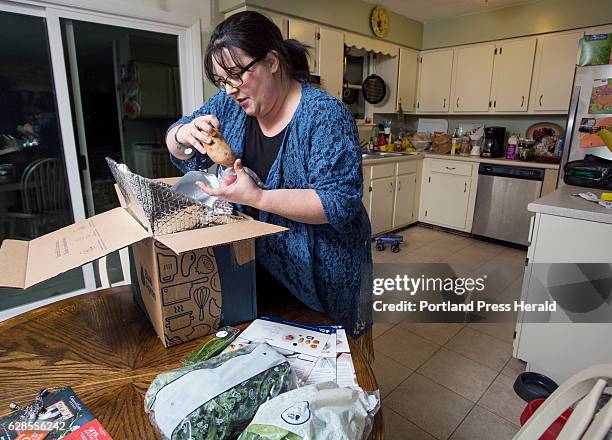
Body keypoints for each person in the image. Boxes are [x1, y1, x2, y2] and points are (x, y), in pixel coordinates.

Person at [165, 11, 372, 343]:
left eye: (236, 75)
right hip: (260, 265)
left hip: (323, 275)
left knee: (334, 361)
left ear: (272, 61)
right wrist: (184, 134)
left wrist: (257, 197)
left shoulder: (324, 116)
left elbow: (338, 203)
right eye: (222, 80)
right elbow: (176, 138)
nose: (230, 89)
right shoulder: (231, 103)